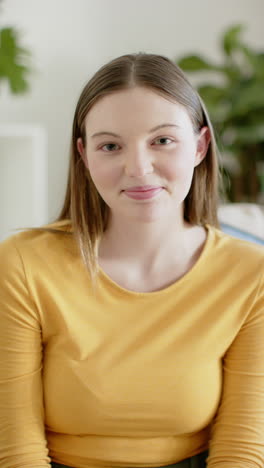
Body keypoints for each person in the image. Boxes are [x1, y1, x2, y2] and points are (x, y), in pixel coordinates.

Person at [0, 53, 263, 468]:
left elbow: (243, 449)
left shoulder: (251, 274)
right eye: (110, 145)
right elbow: (15, 448)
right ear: (85, 157)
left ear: (200, 146)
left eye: (162, 140)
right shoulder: (22, 264)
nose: (138, 168)